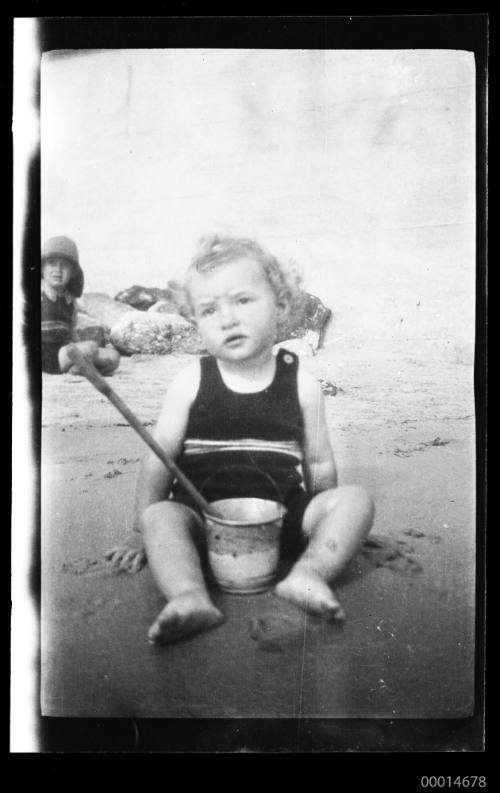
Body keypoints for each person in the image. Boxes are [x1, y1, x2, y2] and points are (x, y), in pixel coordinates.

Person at [106, 235, 374, 644]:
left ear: (281, 305)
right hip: (200, 513)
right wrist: (139, 530)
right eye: (210, 310)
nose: (227, 319)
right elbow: (158, 459)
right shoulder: (190, 382)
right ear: (195, 322)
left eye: (243, 301)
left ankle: (308, 573)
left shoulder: (302, 385)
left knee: (356, 501)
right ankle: (189, 595)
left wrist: (325, 523)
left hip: (280, 516)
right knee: (161, 517)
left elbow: (319, 464)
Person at [41, 235, 120, 375]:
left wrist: (80, 347)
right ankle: (80, 368)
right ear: (42, 268)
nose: (58, 270)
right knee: (90, 347)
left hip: (65, 351)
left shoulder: (69, 301)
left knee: (113, 357)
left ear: (72, 273)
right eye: (52, 263)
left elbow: (72, 333)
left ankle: (77, 369)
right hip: (45, 356)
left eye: (64, 265)